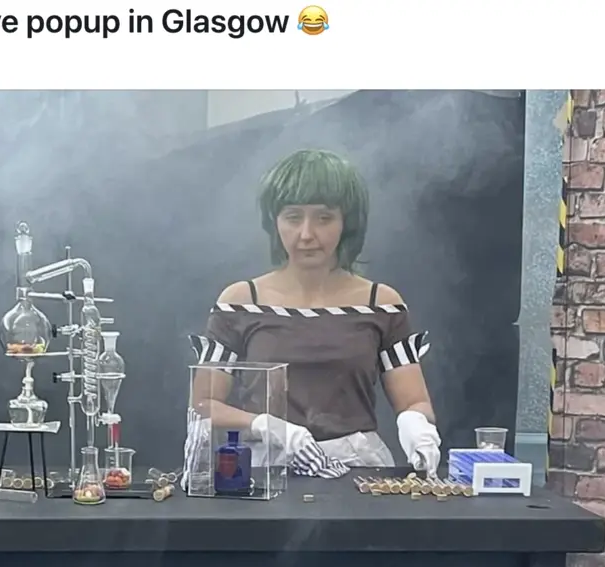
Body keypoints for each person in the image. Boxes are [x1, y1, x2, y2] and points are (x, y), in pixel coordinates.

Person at [183, 149, 441, 484]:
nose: (307, 234)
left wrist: (416, 425)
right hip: (264, 473)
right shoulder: (239, 302)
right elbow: (203, 405)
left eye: (323, 218)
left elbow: (415, 400)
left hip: (358, 472)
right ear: (274, 222)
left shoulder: (383, 304)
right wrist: (265, 425)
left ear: (347, 221)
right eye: (293, 217)